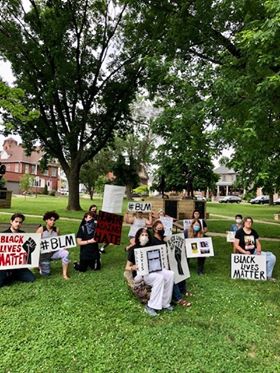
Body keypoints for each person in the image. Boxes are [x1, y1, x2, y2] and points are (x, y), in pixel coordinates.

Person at [125, 227, 174, 317]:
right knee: (159, 278)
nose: (144, 236)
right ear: (138, 237)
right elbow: (127, 267)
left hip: (154, 269)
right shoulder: (133, 249)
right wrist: (133, 267)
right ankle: (151, 306)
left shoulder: (151, 246)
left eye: (146, 235)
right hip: (141, 274)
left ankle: (165, 303)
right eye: (142, 235)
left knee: (170, 274)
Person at [152, 220, 192, 307]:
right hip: (160, 265)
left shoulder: (163, 237)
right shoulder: (152, 240)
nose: (161, 229)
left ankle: (183, 290)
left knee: (180, 269)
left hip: (168, 261)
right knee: (172, 275)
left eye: (162, 228)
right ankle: (178, 298)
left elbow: (173, 241)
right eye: (159, 228)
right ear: (155, 229)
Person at [234, 216, 276, 281]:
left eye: (250, 222)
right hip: (243, 255)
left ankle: (268, 276)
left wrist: (259, 249)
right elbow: (236, 245)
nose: (249, 223)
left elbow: (258, 243)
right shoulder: (239, 232)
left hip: (254, 252)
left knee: (272, 257)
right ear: (244, 223)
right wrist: (245, 252)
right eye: (247, 221)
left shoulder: (254, 232)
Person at [0, 213, 35, 287]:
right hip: (5, 266)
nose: (18, 224)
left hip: (19, 266)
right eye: (16, 221)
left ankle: (12, 275)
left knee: (31, 278)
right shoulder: (3, 235)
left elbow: (26, 250)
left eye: (20, 222)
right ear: (11, 222)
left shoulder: (23, 234)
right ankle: (8, 275)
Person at [36, 211, 70, 280]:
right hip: (44, 255)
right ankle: (39, 265)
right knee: (46, 274)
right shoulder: (41, 229)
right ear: (46, 220)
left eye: (54, 220)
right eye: (51, 220)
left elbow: (59, 242)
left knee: (65, 253)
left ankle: (64, 274)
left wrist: (64, 246)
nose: (53, 222)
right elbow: (35, 244)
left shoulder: (56, 229)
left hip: (54, 253)